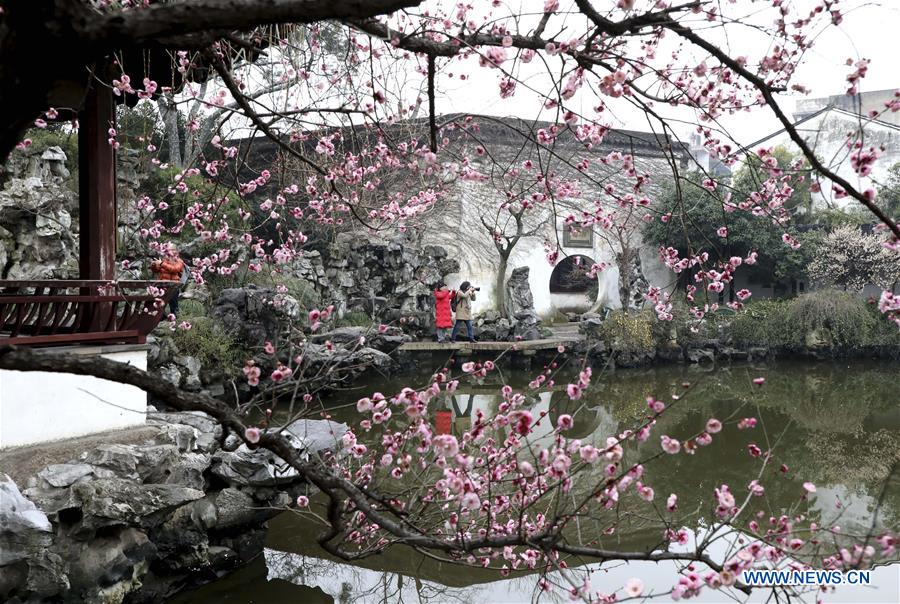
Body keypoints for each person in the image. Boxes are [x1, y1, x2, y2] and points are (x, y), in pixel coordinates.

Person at [150, 244, 186, 316]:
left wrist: (162, 264)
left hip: (174, 285)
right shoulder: (164, 260)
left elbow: (175, 269)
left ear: (176, 251)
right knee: (160, 302)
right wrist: (154, 265)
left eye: (172, 250)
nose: (170, 251)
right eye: (169, 250)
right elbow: (156, 270)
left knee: (173, 303)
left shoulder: (179, 261)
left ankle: (175, 316)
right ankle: (161, 317)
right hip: (162, 285)